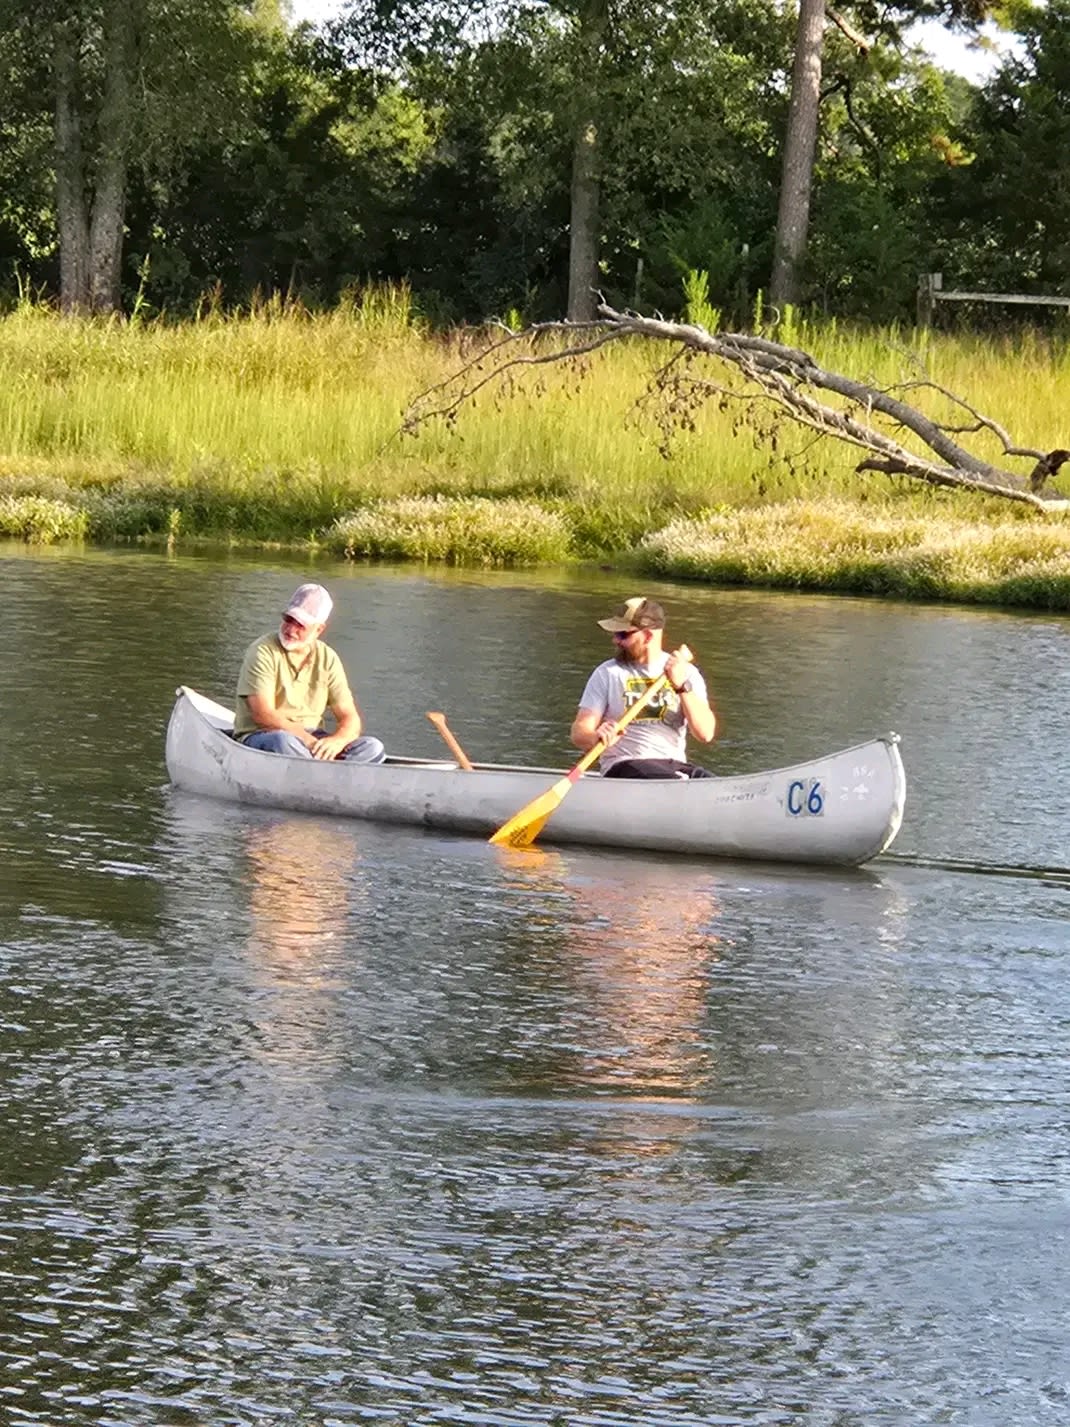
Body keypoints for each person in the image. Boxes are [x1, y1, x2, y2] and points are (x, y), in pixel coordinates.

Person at [233, 582, 386, 763]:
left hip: (312, 738)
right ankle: (328, 772)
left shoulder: (328, 658)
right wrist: (308, 742)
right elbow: (263, 715)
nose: (291, 629)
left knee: (373, 747)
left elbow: (349, 717)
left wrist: (337, 741)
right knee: (283, 742)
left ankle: (322, 771)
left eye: (300, 625)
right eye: (288, 620)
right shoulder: (262, 651)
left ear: (319, 629)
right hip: (264, 735)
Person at [570, 596, 716, 779]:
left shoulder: (686, 672)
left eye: (623, 634)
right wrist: (596, 737)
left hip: (675, 765)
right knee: (671, 780)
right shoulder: (607, 673)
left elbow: (706, 734)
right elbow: (579, 731)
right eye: (615, 634)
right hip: (624, 764)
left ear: (647, 636)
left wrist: (681, 687)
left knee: (707, 780)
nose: (616, 640)